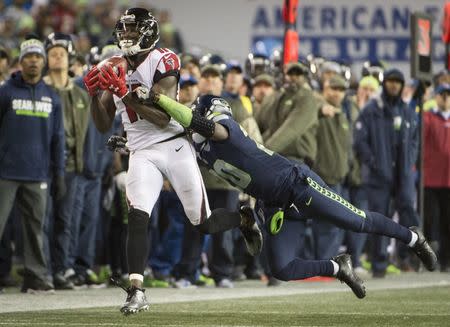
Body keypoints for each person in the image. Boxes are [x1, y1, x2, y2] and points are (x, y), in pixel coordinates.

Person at [126, 91, 437, 299]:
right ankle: (336, 268)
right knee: (281, 269)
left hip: (297, 186)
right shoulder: (201, 148)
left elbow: (199, 125)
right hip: (272, 203)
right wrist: (132, 144)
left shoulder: (223, 128)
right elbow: (172, 145)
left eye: (198, 113)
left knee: (358, 221)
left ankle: (413, 238)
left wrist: (159, 98)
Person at [83, 8, 261, 315]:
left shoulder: (163, 60)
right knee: (138, 215)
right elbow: (101, 124)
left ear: (149, 33)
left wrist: (124, 93)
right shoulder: (112, 65)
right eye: (123, 30)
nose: (126, 36)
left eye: (132, 30)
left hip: (174, 145)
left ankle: (244, 219)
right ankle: (136, 291)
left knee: (202, 223)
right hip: (141, 152)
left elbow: (164, 117)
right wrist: (94, 94)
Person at [0, 37, 65, 293]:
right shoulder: (5, 92)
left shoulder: (52, 97)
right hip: (5, 172)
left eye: (38, 57)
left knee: (35, 231)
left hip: (38, 173)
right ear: (20, 61)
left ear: (44, 62)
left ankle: (35, 276)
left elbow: (58, 138)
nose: (34, 61)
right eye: (29, 57)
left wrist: (58, 174)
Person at [354, 69, 420, 277]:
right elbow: (359, 141)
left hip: (403, 175)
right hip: (378, 176)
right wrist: (373, 163)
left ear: (402, 86)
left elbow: (415, 141)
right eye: (390, 81)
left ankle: (406, 256)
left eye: (397, 82)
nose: (394, 85)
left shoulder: (408, 111)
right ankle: (379, 263)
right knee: (380, 220)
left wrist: (409, 161)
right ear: (385, 84)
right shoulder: (371, 109)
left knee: (408, 213)